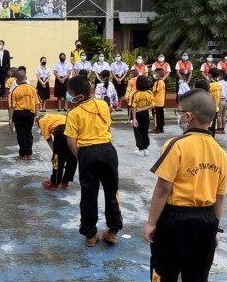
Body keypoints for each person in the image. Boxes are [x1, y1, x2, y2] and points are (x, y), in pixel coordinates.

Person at [143, 89, 227, 282]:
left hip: (175, 218)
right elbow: (220, 196)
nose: (178, 115)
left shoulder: (176, 145)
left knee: (164, 271)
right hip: (206, 219)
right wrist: (215, 228)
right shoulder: (220, 153)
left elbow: (163, 188)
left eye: (179, 111)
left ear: (188, 117)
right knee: (197, 274)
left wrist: (151, 223)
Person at [64, 75, 122, 247]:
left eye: (70, 94)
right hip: (108, 151)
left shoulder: (74, 114)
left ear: (79, 97)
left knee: (89, 195)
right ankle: (112, 231)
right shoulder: (103, 105)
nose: (68, 97)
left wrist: (82, 157)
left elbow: (71, 143)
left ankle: (90, 235)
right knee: (112, 192)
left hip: (87, 153)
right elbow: (108, 127)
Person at [37, 113, 77, 191]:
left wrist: (55, 152)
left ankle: (54, 183)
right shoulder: (56, 116)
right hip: (72, 129)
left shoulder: (42, 120)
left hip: (61, 131)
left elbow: (48, 139)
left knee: (57, 159)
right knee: (72, 156)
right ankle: (66, 180)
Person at [9, 70, 40, 160]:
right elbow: (37, 103)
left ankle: (23, 154)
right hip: (30, 113)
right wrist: (36, 115)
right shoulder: (32, 88)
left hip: (18, 114)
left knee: (21, 133)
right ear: (25, 78)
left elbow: (12, 106)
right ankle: (29, 153)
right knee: (28, 133)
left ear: (17, 80)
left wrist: (10, 118)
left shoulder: (15, 90)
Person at [131, 75, 154, 157]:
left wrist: (134, 119)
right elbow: (152, 105)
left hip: (137, 114)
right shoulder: (149, 93)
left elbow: (133, 107)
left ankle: (140, 149)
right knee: (145, 130)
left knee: (138, 132)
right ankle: (145, 148)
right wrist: (143, 109)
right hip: (145, 114)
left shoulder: (135, 94)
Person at [150, 68, 166, 134]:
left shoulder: (157, 82)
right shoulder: (162, 82)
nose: (154, 75)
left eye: (154, 73)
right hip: (161, 101)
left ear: (158, 74)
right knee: (161, 115)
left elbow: (155, 92)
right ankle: (161, 128)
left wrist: (151, 98)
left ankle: (157, 128)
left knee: (156, 116)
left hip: (156, 102)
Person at [208, 68, 223, 136]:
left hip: (209, 108)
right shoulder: (219, 85)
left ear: (210, 75)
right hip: (216, 108)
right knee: (213, 127)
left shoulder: (209, 85)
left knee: (208, 126)